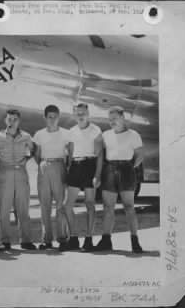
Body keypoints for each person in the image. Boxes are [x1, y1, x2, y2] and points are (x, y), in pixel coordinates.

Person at [95, 106, 144, 253]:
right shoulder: (105, 135)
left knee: (129, 207)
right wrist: (98, 174)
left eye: (115, 119)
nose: (112, 122)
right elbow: (100, 155)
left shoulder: (133, 134)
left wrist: (128, 167)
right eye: (110, 119)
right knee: (108, 207)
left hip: (126, 169)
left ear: (123, 118)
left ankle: (134, 240)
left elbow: (140, 155)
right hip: (109, 170)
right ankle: (106, 240)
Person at [0, 109, 36, 251]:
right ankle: (5, 241)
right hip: (5, 173)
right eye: (9, 119)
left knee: (23, 208)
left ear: (19, 121)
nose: (12, 122)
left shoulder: (26, 137)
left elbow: (34, 149)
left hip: (21, 173)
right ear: (5, 120)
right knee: (4, 209)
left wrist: (26, 159)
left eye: (15, 119)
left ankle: (26, 240)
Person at [62, 103, 103, 252]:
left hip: (90, 166)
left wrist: (97, 175)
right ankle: (73, 238)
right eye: (78, 113)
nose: (80, 115)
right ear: (74, 115)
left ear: (88, 114)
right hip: (75, 167)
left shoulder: (95, 130)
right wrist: (69, 170)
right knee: (67, 205)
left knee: (90, 203)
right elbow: (71, 154)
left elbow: (100, 155)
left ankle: (89, 240)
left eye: (83, 113)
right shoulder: (71, 131)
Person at [33, 105, 70, 250]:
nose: (53, 120)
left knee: (61, 204)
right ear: (45, 118)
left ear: (59, 118)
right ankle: (46, 239)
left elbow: (70, 153)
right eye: (50, 117)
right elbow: (37, 155)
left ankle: (62, 238)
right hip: (44, 166)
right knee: (45, 204)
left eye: (55, 117)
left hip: (59, 165)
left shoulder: (66, 134)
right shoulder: (39, 134)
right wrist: (44, 165)